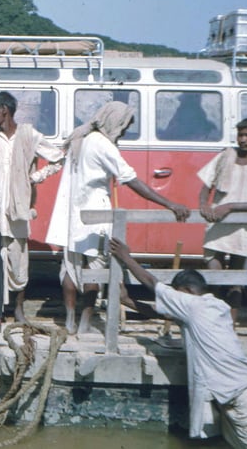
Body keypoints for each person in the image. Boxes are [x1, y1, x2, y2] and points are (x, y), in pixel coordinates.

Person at [46, 101, 190, 334]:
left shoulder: (80, 138)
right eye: (123, 127)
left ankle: (70, 321)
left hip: (71, 216)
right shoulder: (102, 145)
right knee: (95, 268)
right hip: (95, 215)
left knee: (70, 268)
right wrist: (168, 203)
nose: (122, 132)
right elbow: (131, 179)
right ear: (115, 122)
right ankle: (85, 322)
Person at [110, 238, 247, 449]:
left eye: (177, 294)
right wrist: (128, 302)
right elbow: (162, 313)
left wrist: (125, 256)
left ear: (187, 291)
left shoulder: (192, 305)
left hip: (246, 403)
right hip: (245, 394)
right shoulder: (217, 307)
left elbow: (152, 283)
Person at [0, 91, 63, 325]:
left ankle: (18, 309)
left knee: (18, 261)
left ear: (4, 111)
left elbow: (58, 159)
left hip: (17, 209)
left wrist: (34, 178)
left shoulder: (29, 135)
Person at [197, 117, 247, 323]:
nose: (243, 140)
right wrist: (204, 205)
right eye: (240, 135)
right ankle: (213, 322)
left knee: (236, 280)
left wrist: (231, 206)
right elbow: (206, 186)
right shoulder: (225, 157)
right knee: (214, 275)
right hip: (218, 225)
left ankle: (231, 325)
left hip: (244, 228)